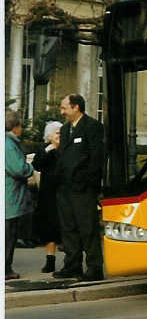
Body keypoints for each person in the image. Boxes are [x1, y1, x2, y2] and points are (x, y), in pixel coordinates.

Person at [53, 94, 105, 281]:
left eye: (64, 108)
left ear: (76, 107)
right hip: (65, 188)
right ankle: (72, 264)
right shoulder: (65, 130)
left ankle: (94, 267)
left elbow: (97, 157)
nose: (62, 112)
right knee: (69, 228)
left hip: (83, 188)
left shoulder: (92, 127)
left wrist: (89, 182)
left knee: (87, 227)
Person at [5, 110, 34, 280]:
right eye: (20, 125)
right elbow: (18, 169)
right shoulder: (9, 144)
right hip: (11, 197)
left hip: (9, 196)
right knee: (9, 235)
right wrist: (30, 168)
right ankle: (6, 269)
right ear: (15, 127)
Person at [32, 121, 63, 273]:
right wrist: (50, 149)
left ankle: (71, 261)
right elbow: (37, 165)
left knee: (66, 227)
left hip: (64, 194)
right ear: (49, 136)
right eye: (57, 133)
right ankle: (50, 261)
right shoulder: (44, 150)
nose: (60, 136)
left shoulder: (67, 149)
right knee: (49, 228)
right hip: (48, 196)